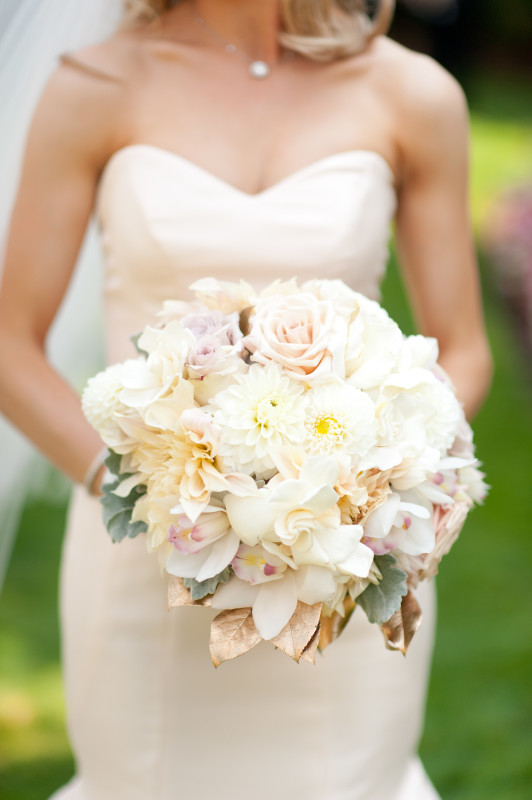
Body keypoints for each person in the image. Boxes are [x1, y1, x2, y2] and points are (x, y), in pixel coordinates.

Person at [0, 1, 492, 798]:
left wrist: (373, 483)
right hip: (144, 569)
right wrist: (153, 497)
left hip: (345, 567)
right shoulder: (94, 85)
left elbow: (464, 349)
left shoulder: (413, 94)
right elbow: (9, 345)